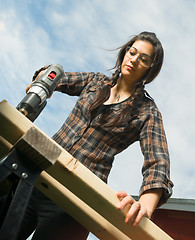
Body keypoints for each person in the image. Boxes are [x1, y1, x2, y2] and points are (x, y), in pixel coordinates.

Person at [18, 31, 173, 239]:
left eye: (144, 59)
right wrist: (44, 81)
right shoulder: (95, 82)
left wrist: (145, 204)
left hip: (78, 199)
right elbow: (55, 76)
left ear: (150, 69)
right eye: (132, 52)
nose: (134, 60)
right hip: (36, 173)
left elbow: (158, 162)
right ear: (125, 52)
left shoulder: (147, 112)